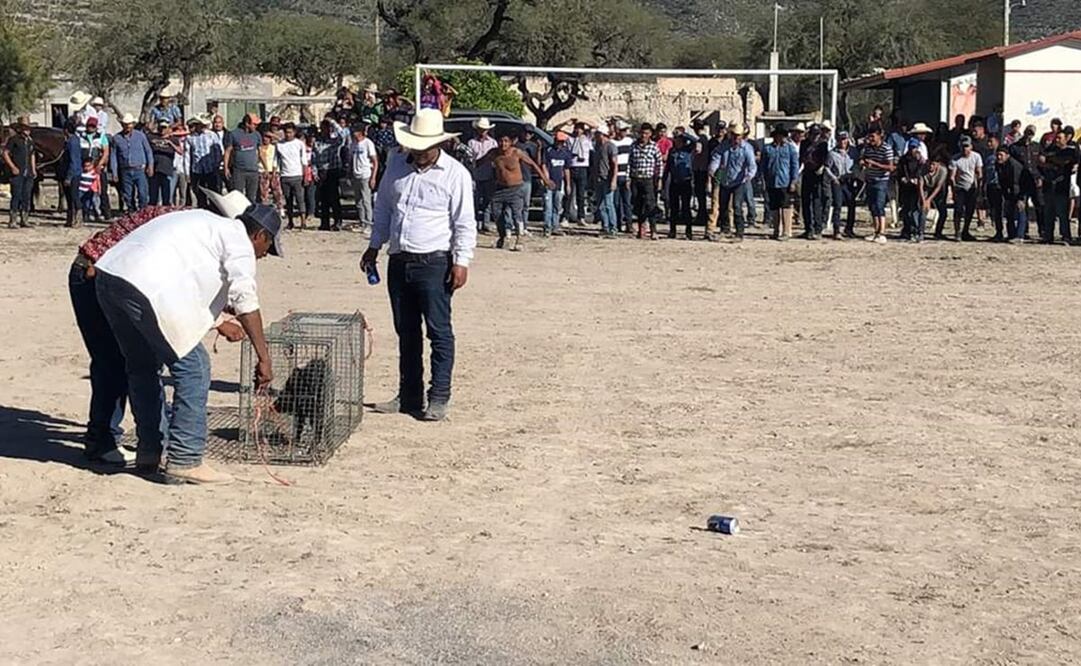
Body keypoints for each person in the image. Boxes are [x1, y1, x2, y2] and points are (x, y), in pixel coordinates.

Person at [93, 191, 280, 484]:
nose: (264, 255)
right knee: (194, 368)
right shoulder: (238, 240)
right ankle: (185, 458)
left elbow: (191, 280)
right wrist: (264, 358)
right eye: (268, 247)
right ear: (259, 235)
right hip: (143, 285)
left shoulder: (205, 223)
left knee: (142, 367)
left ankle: (149, 453)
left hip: (110, 275)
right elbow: (246, 298)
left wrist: (219, 315)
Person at [362, 109, 477, 422]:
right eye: (415, 146)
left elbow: (464, 222)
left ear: (438, 144)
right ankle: (409, 394)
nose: (419, 152)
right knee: (406, 331)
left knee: (439, 331)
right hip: (399, 260)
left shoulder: (455, 174)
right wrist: (374, 246)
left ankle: (438, 396)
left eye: (424, 147)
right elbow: (384, 208)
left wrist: (461, 261)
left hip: (435, 261)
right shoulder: (397, 167)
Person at [69, 205, 187, 465]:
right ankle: (101, 440)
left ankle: (118, 436)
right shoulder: (180, 227)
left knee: (127, 360)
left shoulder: (180, 219)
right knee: (113, 361)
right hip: (95, 273)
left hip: (112, 275)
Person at [476, 134, 552, 250]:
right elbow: (480, 161)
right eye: (501, 141)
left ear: (511, 142)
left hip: (516, 188)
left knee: (517, 215)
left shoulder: (517, 152)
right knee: (497, 214)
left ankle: (519, 238)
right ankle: (503, 237)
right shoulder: (494, 153)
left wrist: (545, 179)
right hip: (500, 188)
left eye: (506, 141)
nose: (503, 144)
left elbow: (533, 164)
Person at [709, 123, 756, 242]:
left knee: (737, 206)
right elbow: (716, 159)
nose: (736, 138)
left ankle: (739, 232)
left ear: (742, 136)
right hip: (725, 179)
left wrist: (749, 176)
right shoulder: (723, 147)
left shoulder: (747, 148)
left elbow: (752, 165)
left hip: (740, 181)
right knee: (723, 206)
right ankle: (725, 230)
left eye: (738, 136)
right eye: (734, 135)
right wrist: (713, 169)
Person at [760, 126, 800, 241]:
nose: (781, 137)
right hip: (771, 182)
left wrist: (793, 181)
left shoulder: (790, 149)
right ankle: (776, 230)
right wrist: (763, 180)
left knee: (786, 205)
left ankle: (787, 231)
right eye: (779, 135)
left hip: (785, 181)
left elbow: (794, 166)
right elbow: (763, 166)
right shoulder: (767, 149)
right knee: (774, 206)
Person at [109, 113, 153, 213]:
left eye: (129, 124)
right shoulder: (117, 138)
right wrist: (114, 173)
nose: (127, 126)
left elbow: (148, 151)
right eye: (125, 124)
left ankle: (142, 213)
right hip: (125, 170)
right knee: (127, 195)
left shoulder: (140, 136)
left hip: (139, 169)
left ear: (133, 124)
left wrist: (150, 165)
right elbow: (113, 156)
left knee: (143, 193)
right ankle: (131, 212)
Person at [627, 122, 663, 240]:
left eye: (646, 133)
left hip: (648, 179)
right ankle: (641, 229)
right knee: (638, 204)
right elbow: (630, 163)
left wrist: (659, 179)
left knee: (650, 204)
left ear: (650, 134)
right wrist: (628, 178)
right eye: (642, 133)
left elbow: (659, 163)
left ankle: (653, 230)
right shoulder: (634, 146)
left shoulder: (653, 146)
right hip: (636, 178)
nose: (644, 135)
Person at [860, 127, 896, 244]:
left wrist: (875, 164)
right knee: (872, 207)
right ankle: (876, 231)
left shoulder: (887, 148)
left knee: (880, 206)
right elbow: (864, 159)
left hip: (881, 180)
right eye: (869, 137)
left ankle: (882, 232)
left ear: (880, 135)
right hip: (870, 179)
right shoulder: (868, 148)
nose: (871, 139)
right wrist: (863, 162)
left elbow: (891, 167)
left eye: (873, 137)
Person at [1041, 130, 1077, 244]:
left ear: (1066, 139)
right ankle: (1048, 236)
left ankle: (1065, 236)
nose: (1057, 140)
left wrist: (1051, 161)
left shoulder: (1070, 151)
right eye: (1056, 138)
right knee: (1048, 212)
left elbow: (1065, 162)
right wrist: (1051, 161)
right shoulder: (1050, 150)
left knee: (1062, 213)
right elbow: (1041, 160)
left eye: (1060, 138)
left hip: (1061, 186)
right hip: (1049, 185)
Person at [1009, 125, 1043, 241]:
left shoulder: (1037, 147)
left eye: (1031, 133)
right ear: (1024, 132)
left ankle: (1042, 231)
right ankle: (1023, 231)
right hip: (1022, 181)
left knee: (1039, 205)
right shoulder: (1015, 147)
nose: (1029, 135)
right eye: (1028, 132)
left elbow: (1041, 164)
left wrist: (1040, 177)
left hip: (1035, 181)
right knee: (1023, 206)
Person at [945, 137, 982, 241]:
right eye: (963, 146)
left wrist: (979, 188)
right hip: (960, 188)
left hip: (972, 187)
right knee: (958, 210)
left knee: (970, 211)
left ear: (971, 146)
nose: (965, 149)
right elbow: (952, 176)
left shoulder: (976, 157)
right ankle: (957, 232)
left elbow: (979, 172)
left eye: (967, 146)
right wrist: (953, 190)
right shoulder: (955, 159)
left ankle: (965, 230)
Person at [312, 119, 345, 231]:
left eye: (326, 128)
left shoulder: (334, 142)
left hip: (332, 171)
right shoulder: (317, 143)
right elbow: (314, 159)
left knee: (334, 198)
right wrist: (315, 172)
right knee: (323, 199)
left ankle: (337, 222)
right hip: (321, 172)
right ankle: (324, 222)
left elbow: (343, 135)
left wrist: (333, 122)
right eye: (323, 128)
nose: (324, 130)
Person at [3, 116, 36, 229]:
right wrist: (12, 167)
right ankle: (12, 220)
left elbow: (32, 155)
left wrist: (33, 169)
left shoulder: (30, 141)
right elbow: (5, 153)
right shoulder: (14, 140)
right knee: (16, 195)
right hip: (18, 172)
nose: (28, 130)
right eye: (25, 128)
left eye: (28, 128)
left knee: (26, 196)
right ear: (20, 128)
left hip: (28, 172)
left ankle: (24, 219)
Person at [824, 130, 859, 239]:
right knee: (838, 205)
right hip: (838, 181)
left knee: (852, 205)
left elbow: (857, 164)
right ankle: (837, 230)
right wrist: (834, 178)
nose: (843, 141)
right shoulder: (832, 153)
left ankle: (849, 229)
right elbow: (827, 167)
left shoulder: (854, 152)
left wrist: (856, 174)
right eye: (840, 139)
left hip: (850, 181)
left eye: (844, 139)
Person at [467, 117, 498, 232]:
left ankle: (486, 223)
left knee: (487, 201)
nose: (483, 131)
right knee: (475, 200)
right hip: (475, 176)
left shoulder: (493, 143)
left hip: (489, 175)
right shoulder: (472, 143)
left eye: (484, 129)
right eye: (481, 129)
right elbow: (470, 160)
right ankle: (474, 222)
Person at [186, 115, 223, 209]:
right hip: (197, 170)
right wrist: (187, 172)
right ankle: (203, 209)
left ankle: (214, 211)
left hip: (211, 169)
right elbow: (187, 156)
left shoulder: (212, 135)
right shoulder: (190, 138)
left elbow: (218, 151)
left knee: (214, 193)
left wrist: (216, 165)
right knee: (200, 194)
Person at [223, 113, 262, 202]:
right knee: (238, 196)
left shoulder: (257, 135)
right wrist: (226, 168)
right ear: (247, 123)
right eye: (254, 124)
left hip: (253, 171)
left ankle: (250, 214)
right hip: (239, 171)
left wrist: (265, 167)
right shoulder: (233, 134)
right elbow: (228, 151)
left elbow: (260, 152)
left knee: (251, 197)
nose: (256, 126)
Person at [277, 122, 309, 229]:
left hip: (297, 175)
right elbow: (276, 160)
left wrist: (305, 175)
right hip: (285, 175)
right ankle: (290, 222)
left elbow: (304, 161)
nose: (288, 134)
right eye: (286, 132)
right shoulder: (280, 144)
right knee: (288, 199)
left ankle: (303, 221)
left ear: (294, 132)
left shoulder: (299, 144)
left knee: (300, 199)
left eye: (290, 132)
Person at [590, 125, 619, 238]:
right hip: (598, 179)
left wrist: (613, 180)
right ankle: (605, 226)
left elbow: (614, 165)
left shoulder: (611, 146)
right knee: (601, 205)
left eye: (597, 134)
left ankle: (613, 228)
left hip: (607, 178)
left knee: (608, 204)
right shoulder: (597, 147)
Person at [348, 124, 379, 232]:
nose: (353, 134)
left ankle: (369, 224)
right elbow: (351, 159)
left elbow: (375, 161)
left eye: (355, 131)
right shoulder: (353, 144)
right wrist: (350, 173)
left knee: (366, 200)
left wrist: (373, 177)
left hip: (365, 175)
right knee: (358, 201)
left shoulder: (368, 143)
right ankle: (362, 222)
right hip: (356, 175)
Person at [542, 131, 573, 236]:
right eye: (559, 141)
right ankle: (547, 227)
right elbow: (544, 165)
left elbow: (567, 169)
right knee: (548, 206)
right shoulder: (548, 151)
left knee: (557, 206)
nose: (560, 143)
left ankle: (555, 226)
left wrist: (568, 184)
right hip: (549, 183)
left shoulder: (565, 153)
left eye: (562, 142)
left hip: (560, 184)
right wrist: (547, 180)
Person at [665, 132, 695, 239]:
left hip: (686, 182)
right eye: (675, 140)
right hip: (674, 181)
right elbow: (668, 167)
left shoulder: (688, 150)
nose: (676, 142)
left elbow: (695, 141)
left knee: (686, 207)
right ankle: (672, 231)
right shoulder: (672, 151)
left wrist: (684, 134)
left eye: (679, 140)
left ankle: (688, 231)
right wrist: (664, 181)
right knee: (674, 208)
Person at [996, 145, 1027, 242]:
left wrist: (1020, 198)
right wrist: (1006, 196)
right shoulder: (999, 164)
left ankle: (1020, 236)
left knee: (1020, 211)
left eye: (1001, 155)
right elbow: (1002, 181)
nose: (999, 157)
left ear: (1007, 155)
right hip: (1010, 190)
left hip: (1022, 188)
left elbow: (1017, 182)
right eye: (997, 155)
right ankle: (1011, 234)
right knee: (1009, 211)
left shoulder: (1014, 165)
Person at [563, 121, 593, 224]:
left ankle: (581, 217)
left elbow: (595, 127)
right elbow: (556, 129)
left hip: (583, 167)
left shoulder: (587, 138)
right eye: (576, 128)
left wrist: (582, 120)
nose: (578, 130)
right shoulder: (570, 139)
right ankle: (565, 217)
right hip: (572, 167)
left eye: (580, 128)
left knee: (581, 195)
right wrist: (568, 122)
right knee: (569, 193)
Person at [897, 139, 926, 242]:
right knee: (906, 209)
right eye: (911, 147)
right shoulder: (903, 160)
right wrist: (902, 178)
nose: (912, 150)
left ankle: (916, 231)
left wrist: (916, 179)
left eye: (914, 147)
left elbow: (922, 172)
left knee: (915, 210)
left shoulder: (920, 160)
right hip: (905, 188)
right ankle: (907, 230)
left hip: (916, 188)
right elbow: (899, 172)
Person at [611, 120, 635, 232]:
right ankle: (618, 223)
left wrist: (629, 176)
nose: (625, 132)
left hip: (626, 175)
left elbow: (632, 160)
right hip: (615, 176)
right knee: (616, 202)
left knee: (627, 201)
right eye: (623, 130)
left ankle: (629, 224)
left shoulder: (630, 142)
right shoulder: (612, 143)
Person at [148, 122, 177, 206]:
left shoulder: (173, 139)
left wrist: (170, 143)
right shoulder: (152, 137)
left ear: (168, 128)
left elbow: (180, 151)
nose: (162, 130)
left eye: (164, 128)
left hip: (167, 171)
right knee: (153, 196)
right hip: (155, 170)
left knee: (167, 197)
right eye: (161, 127)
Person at [257, 128, 283, 213]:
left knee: (277, 192)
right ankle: (264, 209)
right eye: (264, 137)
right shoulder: (259, 148)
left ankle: (280, 208)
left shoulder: (274, 147)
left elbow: (276, 159)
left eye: (268, 137)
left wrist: (274, 171)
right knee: (263, 193)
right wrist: (265, 170)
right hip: (263, 172)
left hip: (274, 171)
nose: (266, 139)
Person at [63, 121, 84, 227]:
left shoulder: (72, 142)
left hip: (74, 172)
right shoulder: (75, 139)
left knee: (74, 195)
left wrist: (68, 177)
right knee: (70, 196)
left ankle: (78, 219)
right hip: (75, 171)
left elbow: (73, 160)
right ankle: (71, 218)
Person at [984, 134, 1004, 242]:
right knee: (993, 209)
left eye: (991, 142)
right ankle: (997, 231)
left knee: (999, 210)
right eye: (988, 142)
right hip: (990, 185)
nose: (989, 144)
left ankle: (1000, 231)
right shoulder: (988, 157)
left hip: (999, 186)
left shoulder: (1001, 156)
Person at [78, 157, 102, 223]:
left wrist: (98, 189)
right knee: (81, 203)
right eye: (85, 166)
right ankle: (83, 215)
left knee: (89, 204)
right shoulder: (81, 173)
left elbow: (98, 182)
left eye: (89, 166)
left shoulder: (95, 173)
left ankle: (89, 215)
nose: (87, 168)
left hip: (90, 191)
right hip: (81, 190)